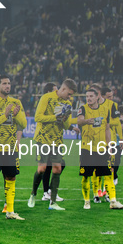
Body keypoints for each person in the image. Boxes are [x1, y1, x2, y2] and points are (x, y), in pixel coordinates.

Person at [27, 79, 77, 211]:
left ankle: (52, 202)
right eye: (69, 94)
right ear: (64, 89)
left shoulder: (67, 104)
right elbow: (38, 117)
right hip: (42, 138)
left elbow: (65, 125)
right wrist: (55, 117)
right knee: (42, 168)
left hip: (57, 140)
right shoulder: (47, 97)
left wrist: (65, 119)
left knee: (57, 169)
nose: (70, 97)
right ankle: (33, 194)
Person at [0, 75, 27, 221]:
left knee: (11, 177)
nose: (7, 86)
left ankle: (10, 211)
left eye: (9, 83)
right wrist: (5, 115)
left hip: (11, 148)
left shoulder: (16, 102)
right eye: (4, 83)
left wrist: (16, 115)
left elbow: (24, 124)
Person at [77, 89, 123, 210]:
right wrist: (86, 121)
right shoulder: (83, 108)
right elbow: (79, 121)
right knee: (86, 176)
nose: (88, 98)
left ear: (97, 97)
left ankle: (113, 201)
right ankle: (87, 201)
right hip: (87, 148)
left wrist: (109, 146)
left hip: (101, 148)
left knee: (108, 175)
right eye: (87, 96)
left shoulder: (105, 110)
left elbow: (107, 129)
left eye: (91, 96)